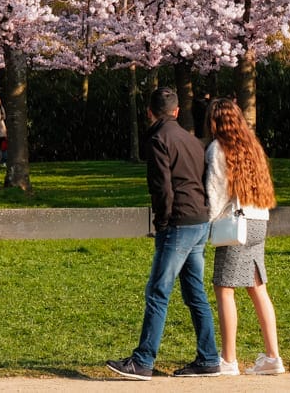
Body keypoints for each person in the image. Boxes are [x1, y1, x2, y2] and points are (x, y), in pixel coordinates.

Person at [106, 87, 220, 380]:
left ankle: (143, 360)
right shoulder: (192, 140)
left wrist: (162, 222)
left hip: (178, 223)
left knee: (158, 291)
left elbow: (162, 188)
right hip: (199, 220)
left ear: (149, 112)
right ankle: (209, 358)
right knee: (195, 293)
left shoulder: (158, 139)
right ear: (177, 111)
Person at [204, 97, 284, 376]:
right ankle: (273, 356)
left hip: (234, 225)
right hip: (259, 221)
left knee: (224, 289)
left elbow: (216, 193)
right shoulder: (253, 146)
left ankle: (228, 359)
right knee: (257, 287)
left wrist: (205, 223)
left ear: (214, 122)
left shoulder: (217, 148)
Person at [0, 96, 8, 169]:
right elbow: (4, 117)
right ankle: (2, 161)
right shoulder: (1, 107)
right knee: (2, 147)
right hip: (2, 128)